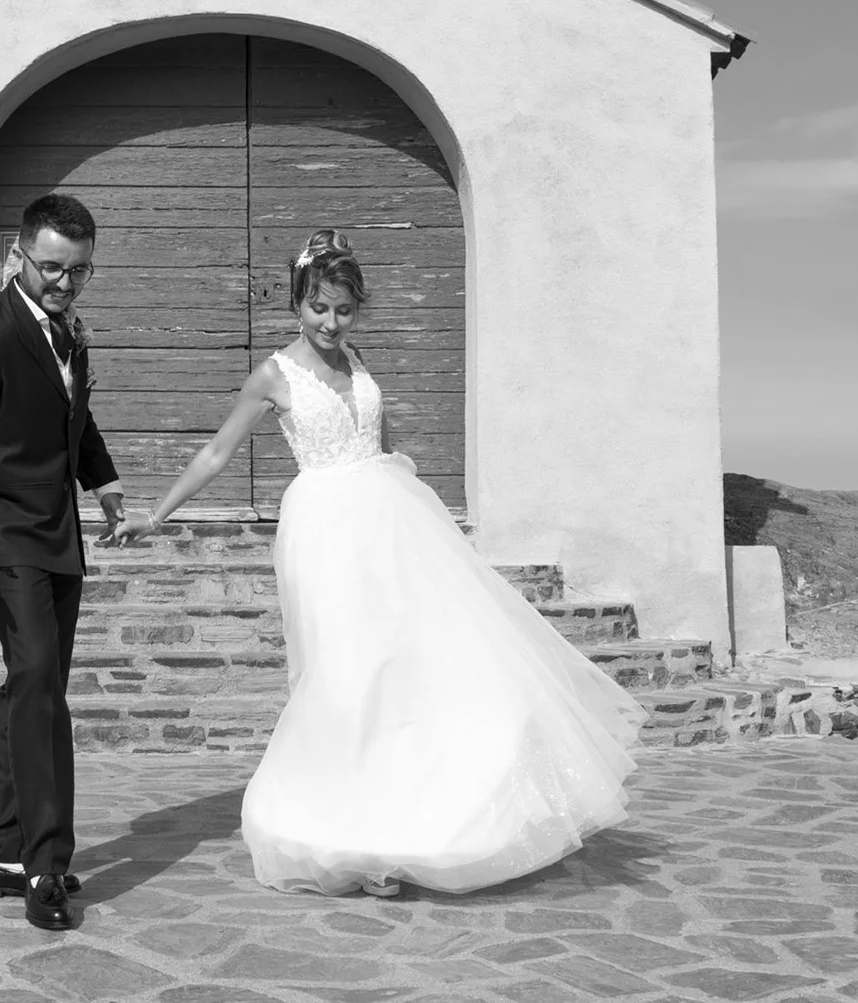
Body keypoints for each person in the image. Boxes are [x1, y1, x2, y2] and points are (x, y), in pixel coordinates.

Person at [108, 229, 645, 896]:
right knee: (348, 676)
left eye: (343, 309)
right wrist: (155, 515)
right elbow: (217, 453)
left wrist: (425, 526)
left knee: (413, 668)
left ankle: (412, 826)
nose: (330, 323)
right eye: (318, 308)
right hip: (326, 536)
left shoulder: (358, 361)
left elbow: (385, 448)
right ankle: (355, 841)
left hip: (391, 526)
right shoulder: (274, 375)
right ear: (298, 303)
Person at [0, 193, 125, 932]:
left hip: (57, 533)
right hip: (4, 538)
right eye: (52, 268)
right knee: (40, 687)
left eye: (79, 271)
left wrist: (102, 480)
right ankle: (46, 862)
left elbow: (73, 414)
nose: (65, 283)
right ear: (17, 255)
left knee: (29, 684)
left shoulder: (66, 332)